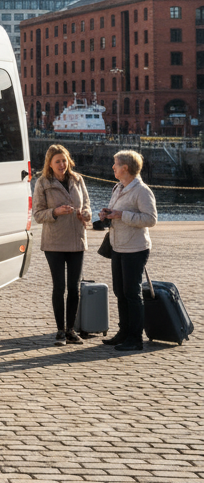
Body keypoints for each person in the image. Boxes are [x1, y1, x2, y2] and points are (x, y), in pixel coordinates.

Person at [32, 143, 91, 345]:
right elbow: (37, 214)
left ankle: (71, 330)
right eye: (57, 161)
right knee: (60, 287)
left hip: (77, 240)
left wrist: (86, 214)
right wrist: (55, 212)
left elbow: (87, 205)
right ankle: (59, 331)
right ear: (49, 163)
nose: (62, 164)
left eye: (64, 160)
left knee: (74, 288)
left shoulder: (77, 179)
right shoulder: (43, 183)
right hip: (54, 243)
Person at [99, 150, 157, 351]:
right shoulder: (118, 187)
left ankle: (135, 338)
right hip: (118, 246)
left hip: (135, 248)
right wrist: (108, 214)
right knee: (120, 292)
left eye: (115, 164)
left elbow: (151, 219)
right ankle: (123, 332)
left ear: (126, 168)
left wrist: (122, 215)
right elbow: (118, 213)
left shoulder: (141, 191)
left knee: (132, 293)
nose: (113, 167)